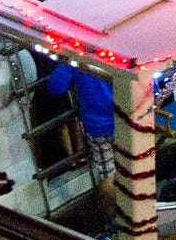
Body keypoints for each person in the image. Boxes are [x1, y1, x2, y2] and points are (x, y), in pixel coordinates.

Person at [43, 57, 119, 198]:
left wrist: (67, 63)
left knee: (107, 177)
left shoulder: (78, 57)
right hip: (125, 121)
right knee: (134, 170)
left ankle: (113, 215)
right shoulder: (119, 52)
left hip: (97, 127)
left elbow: (55, 87)